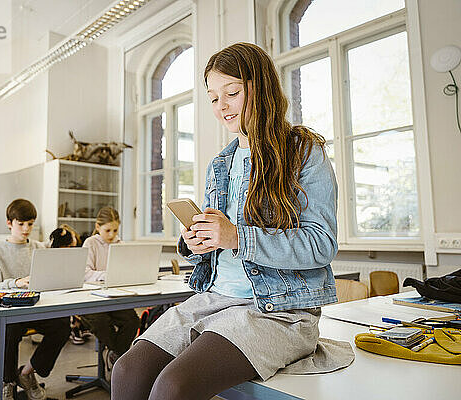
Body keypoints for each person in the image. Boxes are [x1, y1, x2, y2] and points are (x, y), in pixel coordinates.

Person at [111, 42, 342, 400]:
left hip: (279, 310)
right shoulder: (222, 163)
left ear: (260, 88)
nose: (222, 107)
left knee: (173, 386)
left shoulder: (303, 152)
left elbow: (321, 245)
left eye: (231, 93)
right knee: (127, 371)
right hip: (215, 300)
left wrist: (237, 237)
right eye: (213, 98)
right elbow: (217, 241)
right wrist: (196, 242)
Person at [0, 199, 71, 400]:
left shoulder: (39, 248)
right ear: (9, 223)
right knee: (8, 330)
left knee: (63, 325)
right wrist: (17, 283)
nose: (26, 229)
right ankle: (7, 382)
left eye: (30, 224)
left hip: (34, 309)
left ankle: (26, 373)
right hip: (6, 311)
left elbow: (52, 275)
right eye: (20, 224)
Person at [81, 206, 140, 367]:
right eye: (107, 230)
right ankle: (121, 355)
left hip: (114, 297)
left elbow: (126, 269)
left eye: (115, 230)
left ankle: (117, 354)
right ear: (97, 227)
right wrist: (107, 275)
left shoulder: (120, 243)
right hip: (90, 299)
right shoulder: (90, 243)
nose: (112, 235)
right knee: (101, 322)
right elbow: (85, 273)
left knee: (133, 321)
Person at [48, 224, 90, 345]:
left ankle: (78, 325)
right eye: (69, 247)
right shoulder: (51, 256)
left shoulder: (74, 257)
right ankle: (75, 326)